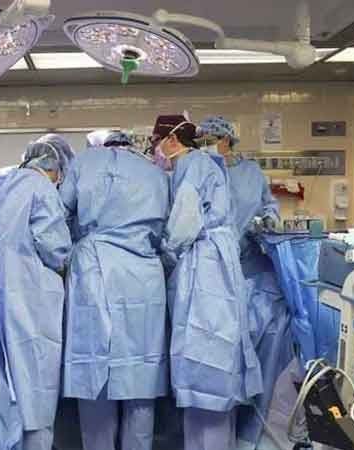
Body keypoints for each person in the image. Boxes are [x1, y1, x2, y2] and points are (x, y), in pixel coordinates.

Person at [155, 115, 262, 450]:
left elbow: (183, 223)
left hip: (206, 266)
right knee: (214, 360)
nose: (157, 150)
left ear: (172, 140)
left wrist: (164, 256)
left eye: (157, 142)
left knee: (204, 353)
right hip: (218, 263)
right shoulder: (205, 164)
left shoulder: (192, 166)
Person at [59, 131, 169, 450]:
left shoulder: (83, 163)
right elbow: (167, 229)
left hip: (93, 271)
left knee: (95, 377)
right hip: (144, 275)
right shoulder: (154, 172)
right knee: (141, 380)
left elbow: (58, 214)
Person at [0, 141, 72, 450]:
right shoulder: (43, 188)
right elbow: (55, 248)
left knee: (6, 378)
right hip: (33, 296)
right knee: (36, 378)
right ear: (55, 169)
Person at [198, 116, 292, 448]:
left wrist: (268, 220)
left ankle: (249, 432)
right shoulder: (198, 170)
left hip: (251, 273)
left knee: (257, 358)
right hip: (211, 274)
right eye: (202, 140)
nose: (206, 145)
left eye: (211, 139)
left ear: (227, 140)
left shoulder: (251, 173)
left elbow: (269, 205)